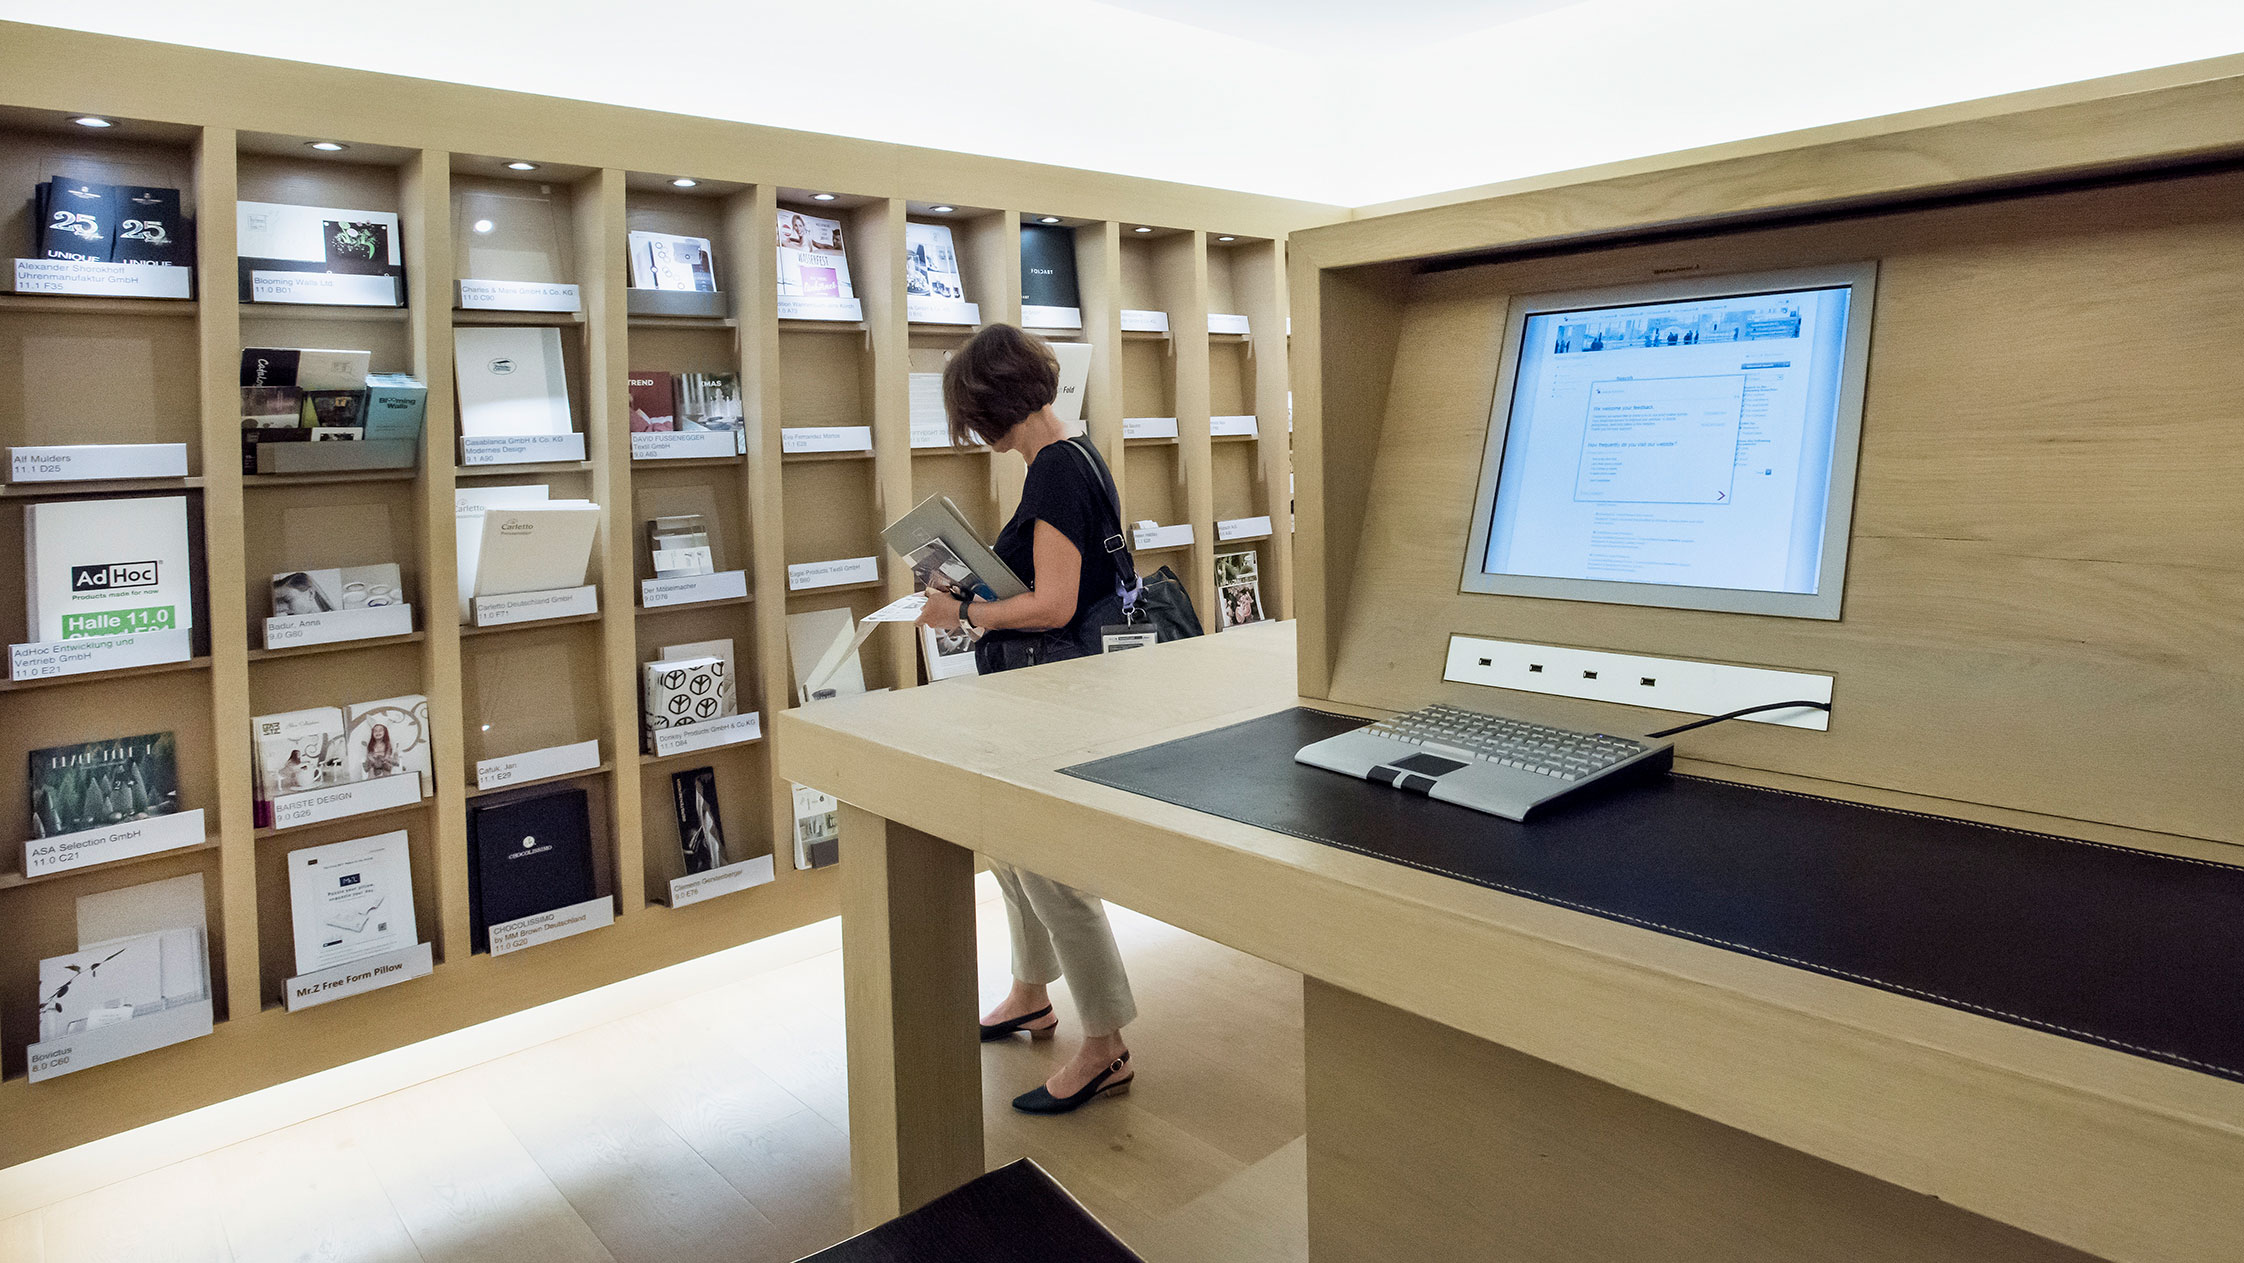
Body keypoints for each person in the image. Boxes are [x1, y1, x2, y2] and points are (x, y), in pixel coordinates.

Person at [917, 324, 1138, 1116]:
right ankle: (1029, 990)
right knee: (1013, 846)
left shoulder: (1049, 473)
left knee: (1049, 861)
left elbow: (1053, 603)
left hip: (1056, 697)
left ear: (984, 409)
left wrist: (965, 607)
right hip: (1064, 690)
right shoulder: (1077, 456)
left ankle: (1105, 1041)